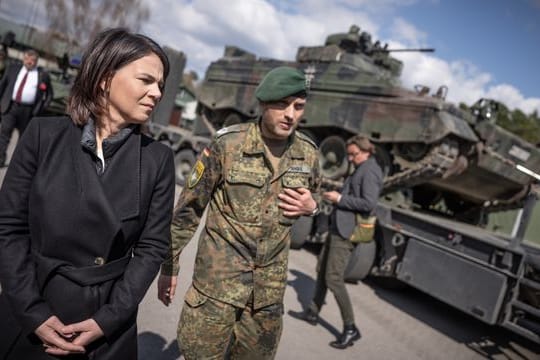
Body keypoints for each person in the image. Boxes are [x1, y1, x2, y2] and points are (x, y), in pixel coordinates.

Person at [0, 28, 175, 359]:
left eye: (161, 86)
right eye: (146, 80)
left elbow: (152, 249)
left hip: (104, 323)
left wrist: (106, 320)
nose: (156, 93)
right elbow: (8, 228)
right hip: (31, 305)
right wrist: (32, 310)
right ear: (105, 79)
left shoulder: (158, 159)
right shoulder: (42, 135)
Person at [158, 66, 321, 359]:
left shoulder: (308, 153)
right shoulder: (228, 144)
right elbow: (188, 211)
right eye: (282, 104)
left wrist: (313, 205)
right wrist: (169, 266)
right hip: (216, 291)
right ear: (263, 104)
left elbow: (316, 192)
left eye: (298, 106)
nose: (290, 115)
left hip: (266, 300)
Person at [296, 135, 383, 349]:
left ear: (367, 151)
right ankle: (313, 312)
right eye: (350, 154)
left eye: (355, 154)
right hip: (338, 228)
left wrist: (340, 199)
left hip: (347, 232)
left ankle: (350, 328)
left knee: (333, 279)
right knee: (322, 269)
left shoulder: (370, 170)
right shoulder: (362, 167)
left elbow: (369, 203)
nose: (351, 159)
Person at [0, 48, 53, 167]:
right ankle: (1, 159)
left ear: (36, 61)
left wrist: (42, 108)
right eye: (27, 59)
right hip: (10, 107)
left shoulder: (42, 75)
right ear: (23, 59)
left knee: (23, 139)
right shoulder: (12, 69)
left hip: (29, 112)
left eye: (32, 60)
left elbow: (50, 94)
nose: (29, 62)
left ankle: (17, 163)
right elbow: (2, 85)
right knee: (4, 136)